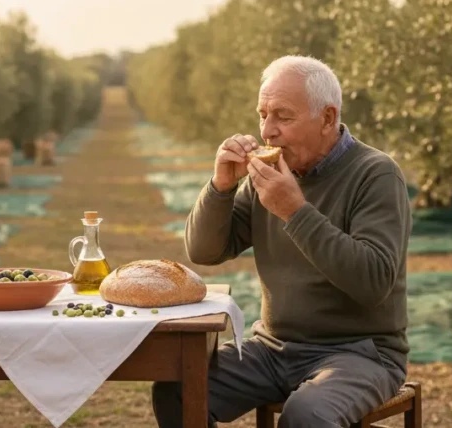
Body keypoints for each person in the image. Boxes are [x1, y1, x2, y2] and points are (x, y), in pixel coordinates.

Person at [152, 55, 412, 427]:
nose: (267, 131)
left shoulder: (376, 174)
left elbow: (373, 282)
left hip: (359, 354)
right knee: (177, 388)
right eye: (263, 115)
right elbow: (204, 251)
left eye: (283, 117)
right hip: (271, 349)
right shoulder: (269, 174)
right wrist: (221, 187)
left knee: (307, 414)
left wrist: (294, 210)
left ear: (327, 118)